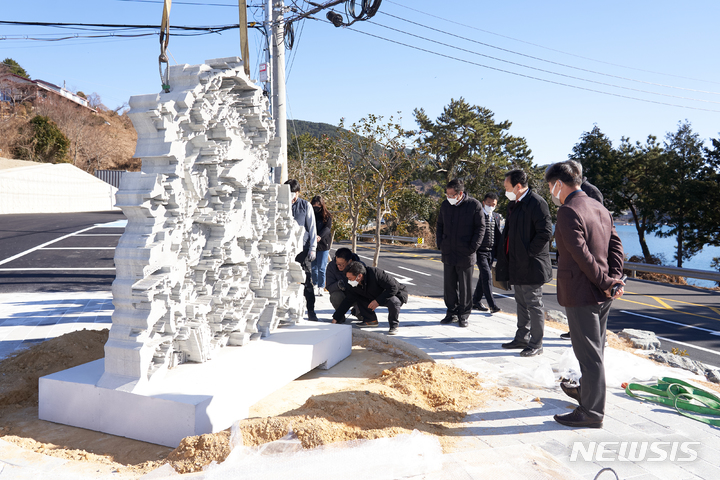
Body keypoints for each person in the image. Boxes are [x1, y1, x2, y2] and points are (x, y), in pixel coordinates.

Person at [545, 161, 624, 428]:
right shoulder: (599, 207)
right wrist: (614, 280)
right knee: (596, 352)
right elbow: (616, 247)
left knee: (589, 356)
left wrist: (605, 282)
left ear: (558, 184)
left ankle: (591, 413)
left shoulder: (568, 211)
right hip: (602, 294)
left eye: (549, 186)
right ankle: (588, 398)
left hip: (582, 292)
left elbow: (581, 256)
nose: (550, 192)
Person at [496, 169, 552, 357]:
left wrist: (528, 253)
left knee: (534, 304)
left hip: (531, 264)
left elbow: (545, 233)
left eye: (507, 187)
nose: (505, 190)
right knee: (520, 302)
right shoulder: (514, 204)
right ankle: (522, 338)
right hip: (517, 263)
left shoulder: (537, 203)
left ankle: (536, 343)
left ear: (518, 186)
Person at [560, 161, 603, 340]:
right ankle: (575, 331)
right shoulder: (566, 192)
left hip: (590, 251)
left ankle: (596, 336)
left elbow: (600, 221)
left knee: (588, 299)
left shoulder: (590, 191)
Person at [436, 178, 485, 328]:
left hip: (466, 254)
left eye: (451, 195)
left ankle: (463, 315)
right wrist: (440, 244)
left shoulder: (474, 205)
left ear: (460, 193)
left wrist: (472, 247)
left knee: (465, 287)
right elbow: (439, 225)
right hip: (448, 252)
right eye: (447, 194)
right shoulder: (445, 205)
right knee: (449, 286)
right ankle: (451, 312)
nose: (448, 197)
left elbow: (480, 228)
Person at [332, 261, 408, 335]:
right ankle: (370, 320)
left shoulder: (376, 273)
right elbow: (348, 300)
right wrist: (336, 317)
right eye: (348, 278)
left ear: (359, 276)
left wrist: (377, 301)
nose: (349, 281)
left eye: (350, 278)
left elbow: (393, 288)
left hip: (393, 294)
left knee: (393, 301)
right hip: (373, 295)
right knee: (358, 297)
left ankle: (394, 325)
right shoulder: (353, 283)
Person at [284, 179, 318, 322]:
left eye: (292, 193)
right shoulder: (281, 203)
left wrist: (313, 249)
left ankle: (311, 310)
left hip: (302, 251)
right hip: (284, 251)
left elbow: (312, 228)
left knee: (306, 281)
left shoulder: (305, 206)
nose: (290, 196)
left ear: (297, 193)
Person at [472, 192, 503, 314]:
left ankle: (475, 301)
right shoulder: (477, 215)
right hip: (480, 251)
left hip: (491, 251)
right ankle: (492, 305)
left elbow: (497, 234)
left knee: (483, 277)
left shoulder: (496, 216)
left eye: (493, 204)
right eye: (489, 203)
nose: (491, 205)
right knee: (487, 276)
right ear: (484, 202)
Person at [326, 247, 363, 313]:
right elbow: (329, 287)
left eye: (342, 264)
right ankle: (340, 314)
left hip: (357, 295)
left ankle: (358, 312)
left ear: (350, 261)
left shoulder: (360, 266)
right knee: (335, 296)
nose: (339, 266)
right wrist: (338, 285)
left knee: (363, 317)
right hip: (342, 295)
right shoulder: (331, 266)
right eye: (337, 264)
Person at [310, 195, 332, 297]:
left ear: (322, 204)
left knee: (321, 267)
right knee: (313, 267)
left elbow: (327, 229)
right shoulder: (310, 214)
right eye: (314, 204)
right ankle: (315, 284)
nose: (316, 206)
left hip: (323, 244)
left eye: (318, 204)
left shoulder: (327, 215)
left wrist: (319, 236)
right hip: (312, 243)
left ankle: (321, 287)